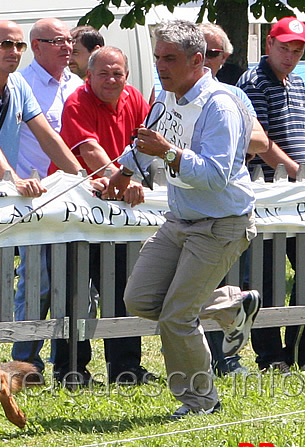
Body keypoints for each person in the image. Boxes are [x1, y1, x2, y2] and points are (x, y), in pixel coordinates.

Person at [104, 19, 260, 419]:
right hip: (180, 220)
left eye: (169, 58)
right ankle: (231, 304)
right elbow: (145, 141)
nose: (160, 66)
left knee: (177, 317)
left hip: (222, 223)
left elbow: (214, 175)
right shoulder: (165, 94)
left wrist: (169, 152)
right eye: (157, 57)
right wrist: (120, 174)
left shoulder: (219, 106)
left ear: (196, 60)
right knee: (138, 298)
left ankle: (201, 403)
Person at [0, 20, 87, 323]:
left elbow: (47, 135)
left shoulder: (18, 84)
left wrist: (82, 177)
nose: (14, 52)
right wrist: (12, 179)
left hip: (4, 204)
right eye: (6, 44)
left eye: (19, 45)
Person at [58, 46, 157, 385]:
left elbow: (146, 142)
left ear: (127, 76)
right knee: (74, 292)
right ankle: (71, 370)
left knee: (123, 289)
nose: (112, 80)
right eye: (104, 73)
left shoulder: (135, 99)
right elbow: (90, 151)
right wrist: (122, 177)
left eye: (118, 73)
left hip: (121, 212)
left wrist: (128, 179)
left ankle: (126, 369)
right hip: (80, 213)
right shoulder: (77, 102)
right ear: (89, 75)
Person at [8, 18, 88, 386]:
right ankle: (26, 361)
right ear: (36, 46)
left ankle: (66, 360)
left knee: (74, 283)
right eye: (57, 41)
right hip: (35, 199)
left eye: (69, 41)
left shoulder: (77, 85)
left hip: (72, 198)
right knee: (35, 282)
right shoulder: (21, 84)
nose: (67, 47)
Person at [198, 23, 270, 377]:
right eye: (199, 53)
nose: (205, 61)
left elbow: (260, 143)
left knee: (222, 279)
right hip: (182, 207)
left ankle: (226, 360)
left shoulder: (233, 96)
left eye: (213, 54)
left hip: (225, 208)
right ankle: (202, 363)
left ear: (224, 58)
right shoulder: (164, 92)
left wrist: (221, 143)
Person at [237, 17, 305, 373]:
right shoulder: (253, 81)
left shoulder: (297, 84)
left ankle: (297, 348)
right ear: (268, 44)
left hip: (297, 195)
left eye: (297, 51)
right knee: (267, 278)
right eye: (284, 49)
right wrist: (297, 171)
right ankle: (270, 354)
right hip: (267, 195)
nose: (290, 57)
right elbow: (260, 143)